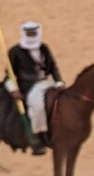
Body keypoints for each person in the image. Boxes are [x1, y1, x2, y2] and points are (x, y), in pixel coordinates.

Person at [8, 21, 60, 153]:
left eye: (33, 33)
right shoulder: (15, 52)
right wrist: (13, 89)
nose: (31, 36)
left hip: (45, 82)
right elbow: (8, 75)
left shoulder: (44, 48)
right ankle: (37, 137)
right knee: (37, 105)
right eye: (28, 33)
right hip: (27, 87)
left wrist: (59, 81)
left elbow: (52, 66)